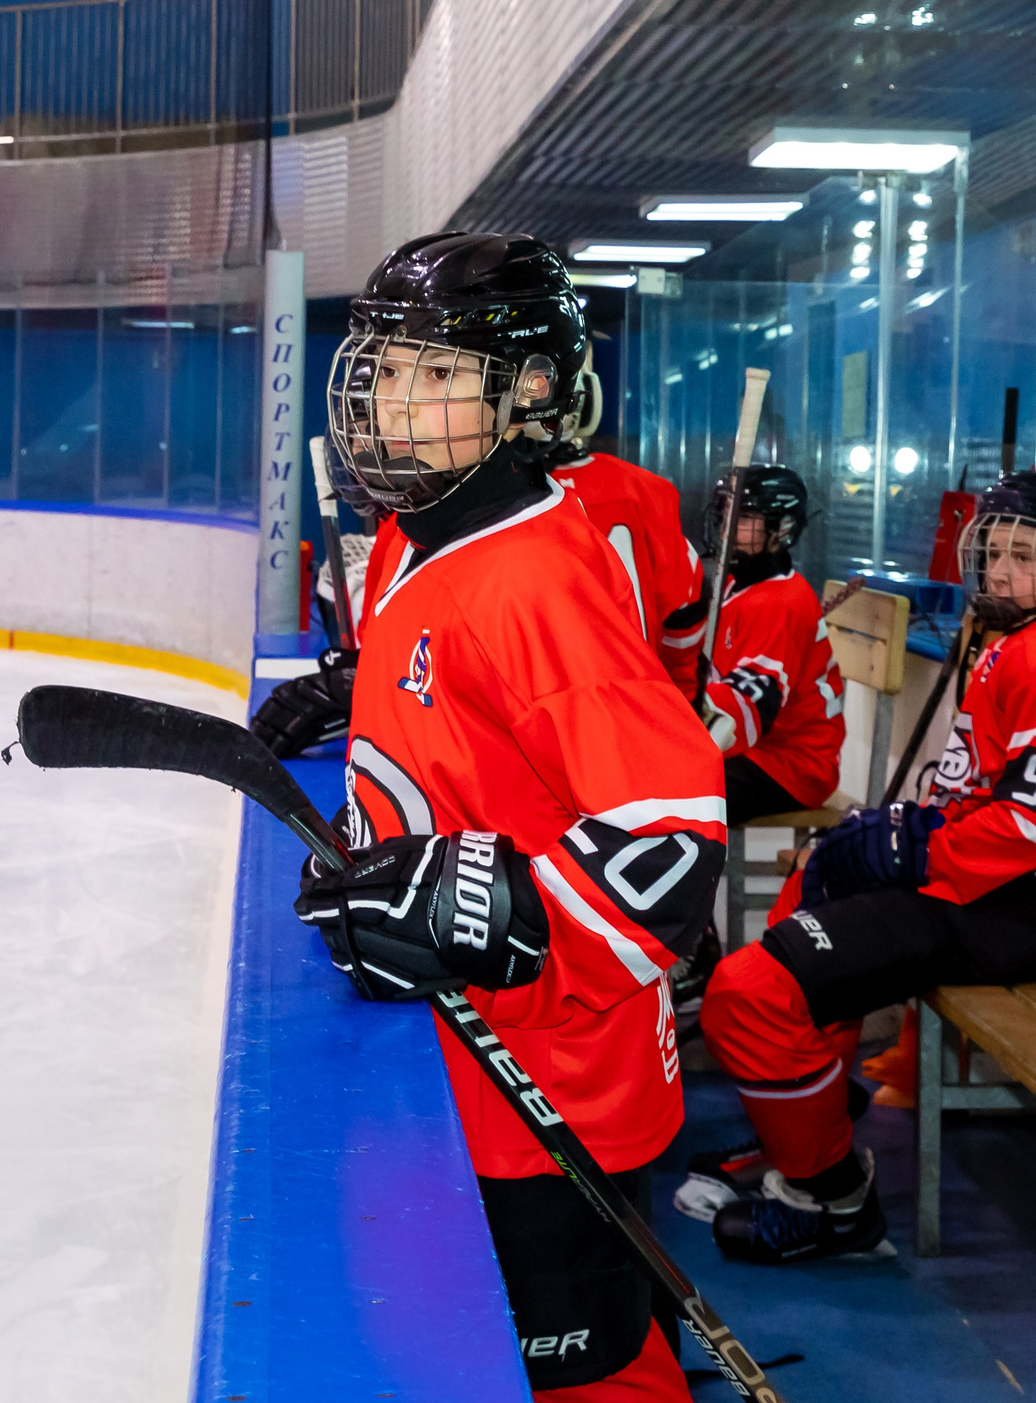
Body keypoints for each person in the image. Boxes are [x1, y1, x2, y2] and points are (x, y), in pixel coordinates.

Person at [279, 232, 728, 1400]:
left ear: (528, 391)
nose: (391, 402)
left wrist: (497, 904)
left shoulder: (536, 578)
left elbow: (670, 839)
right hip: (474, 1056)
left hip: (551, 1070)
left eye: (435, 375)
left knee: (590, 1375)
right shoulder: (414, 535)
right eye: (385, 368)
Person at [684, 470, 1036, 1265]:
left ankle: (831, 1198)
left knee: (745, 993)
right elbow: (986, 794)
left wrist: (917, 849)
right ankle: (807, 1134)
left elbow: (1035, 825)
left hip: (1035, 903)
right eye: (995, 550)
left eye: (1026, 556)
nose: (1000, 569)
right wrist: (903, 830)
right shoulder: (1026, 639)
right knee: (816, 879)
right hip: (1001, 882)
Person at [694, 465, 847, 824]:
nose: (729, 528)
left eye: (745, 517)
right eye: (726, 513)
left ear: (783, 530)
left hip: (792, 765)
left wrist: (674, 732)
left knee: (667, 791)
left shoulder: (781, 602)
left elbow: (749, 711)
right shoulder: (735, 584)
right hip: (758, 751)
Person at [549, 363, 708, 699]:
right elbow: (684, 610)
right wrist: (683, 694)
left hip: (546, 713)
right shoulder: (645, 489)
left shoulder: (499, 497)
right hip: (637, 702)